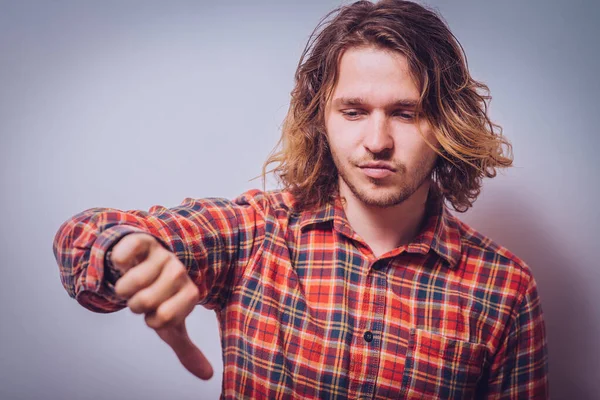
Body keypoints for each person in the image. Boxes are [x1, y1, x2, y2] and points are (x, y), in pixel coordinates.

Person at [52, 0, 549, 398]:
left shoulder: (505, 290)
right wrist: (121, 253)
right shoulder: (256, 233)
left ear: (446, 124)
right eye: (353, 111)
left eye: (405, 113)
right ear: (321, 121)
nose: (377, 140)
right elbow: (82, 233)